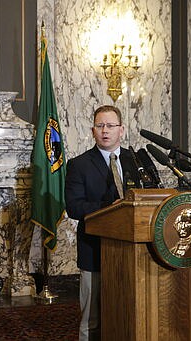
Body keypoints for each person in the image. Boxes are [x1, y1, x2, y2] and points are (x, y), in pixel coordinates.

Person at [65, 105, 141, 341]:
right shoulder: (79, 164)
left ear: (122, 130)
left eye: (110, 126)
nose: (105, 131)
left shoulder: (134, 160)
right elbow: (74, 207)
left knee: (127, 312)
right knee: (92, 318)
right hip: (94, 251)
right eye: (100, 126)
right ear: (93, 131)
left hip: (132, 252)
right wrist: (112, 208)